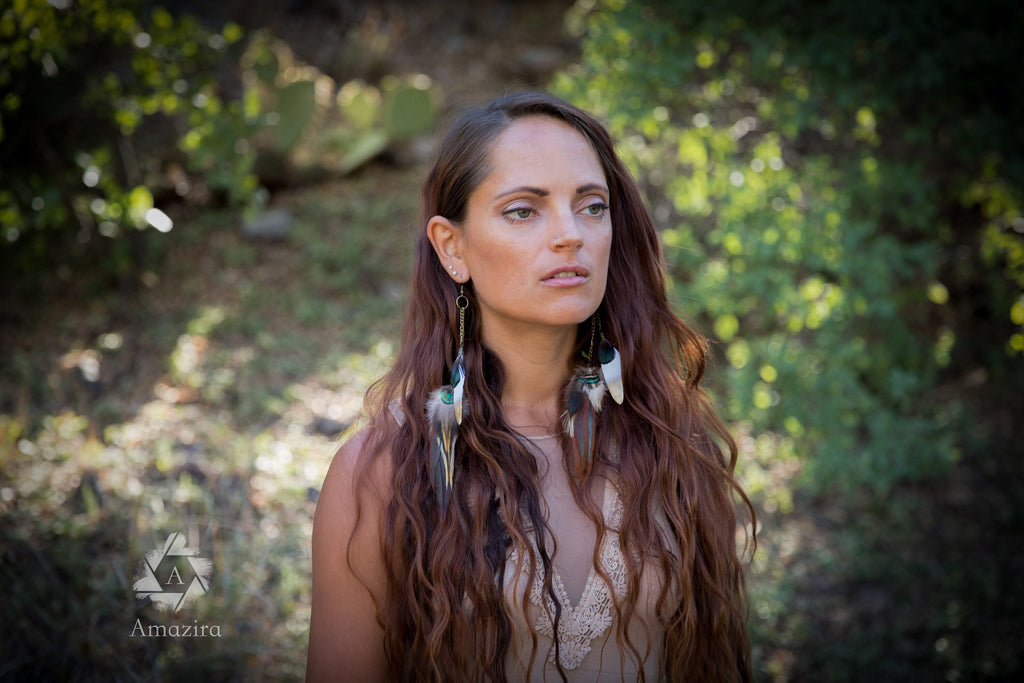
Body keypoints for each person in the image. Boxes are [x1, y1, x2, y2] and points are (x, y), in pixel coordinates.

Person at [306, 91, 754, 682]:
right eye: (524, 210)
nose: (571, 235)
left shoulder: (671, 435)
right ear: (452, 247)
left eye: (591, 206)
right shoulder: (383, 472)